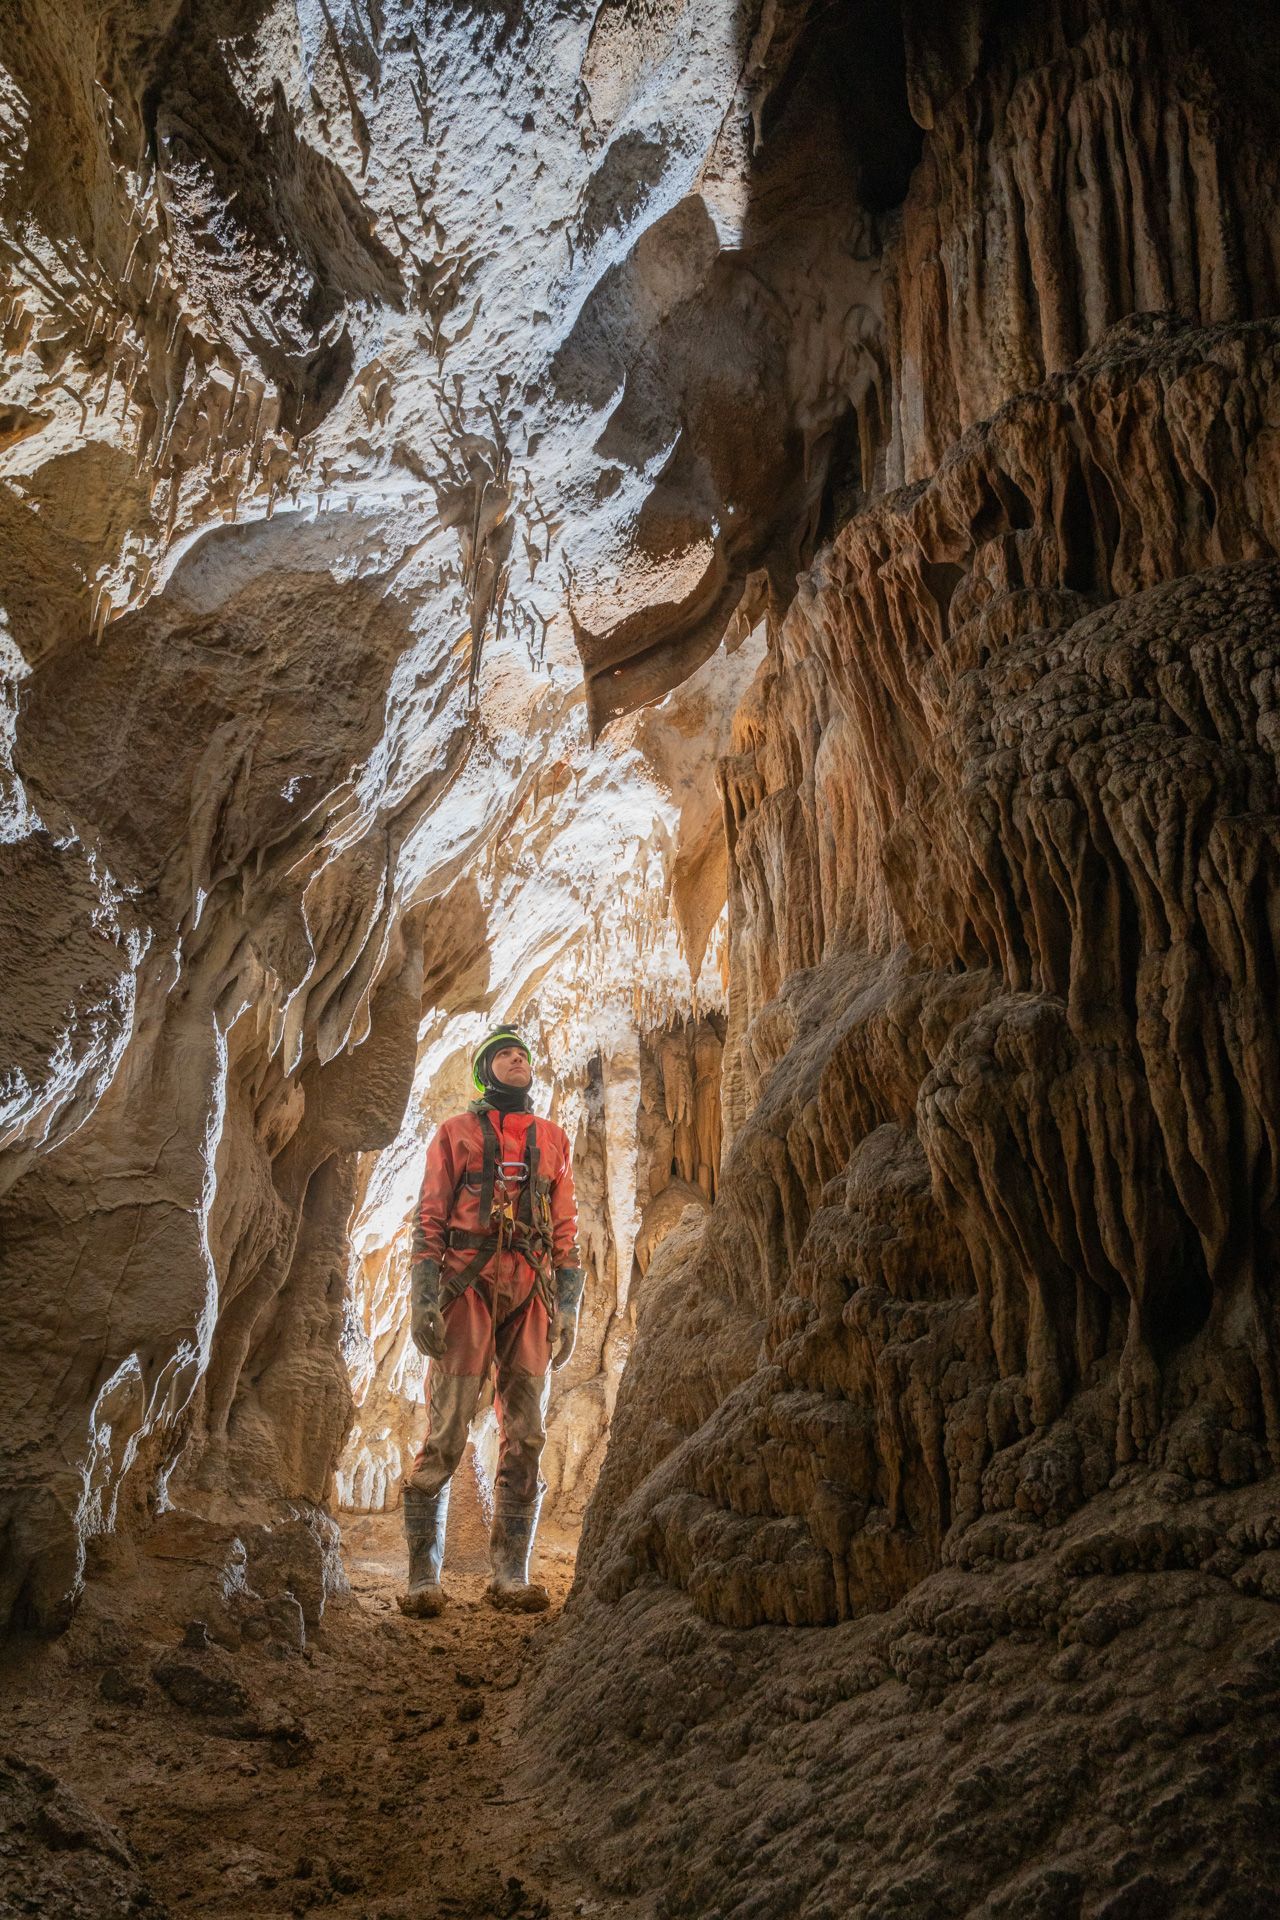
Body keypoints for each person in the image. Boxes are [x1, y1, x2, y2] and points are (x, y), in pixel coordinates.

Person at [399, 1026, 584, 1616]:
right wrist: (424, 1296)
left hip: (530, 1292)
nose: (518, 1060)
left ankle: (511, 1573)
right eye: (506, 1054)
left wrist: (570, 1308)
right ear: (486, 1070)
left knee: (526, 1432)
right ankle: (422, 1579)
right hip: (465, 1286)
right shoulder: (454, 1134)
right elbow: (429, 1215)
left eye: (525, 1055)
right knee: (448, 1428)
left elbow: (565, 1229)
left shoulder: (553, 1139)